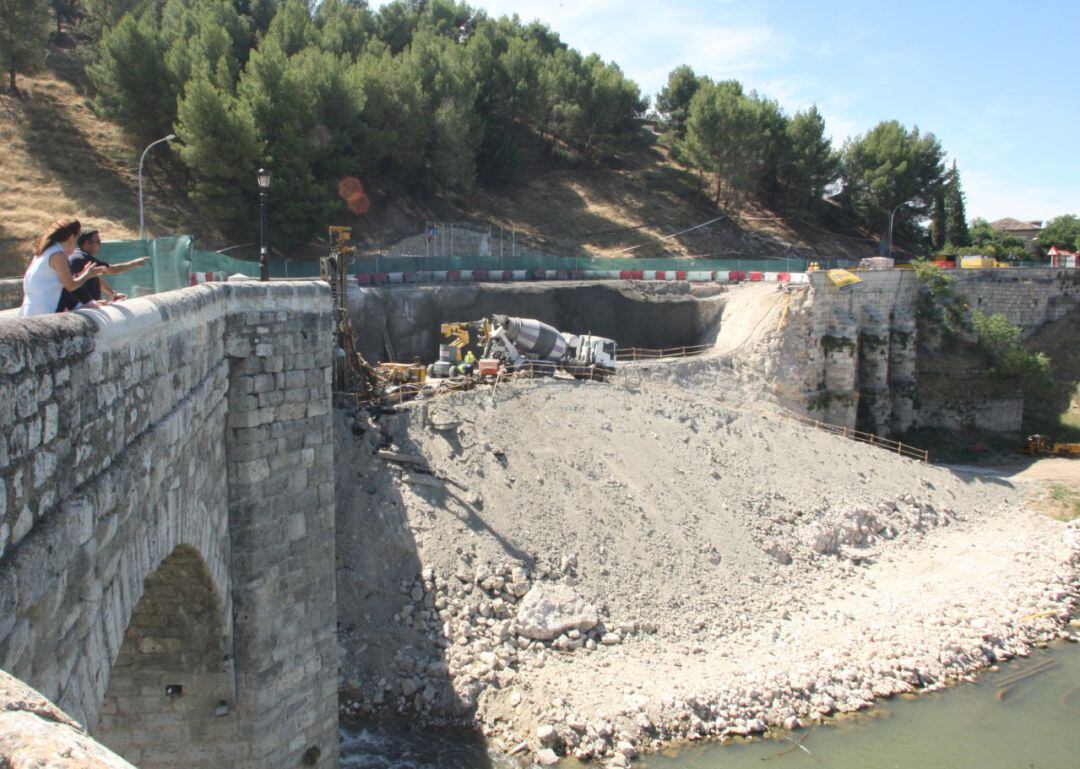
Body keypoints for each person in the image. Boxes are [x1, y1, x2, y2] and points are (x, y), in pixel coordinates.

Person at [18, 218, 107, 317]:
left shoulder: (43, 252)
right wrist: (88, 274)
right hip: (44, 312)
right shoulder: (58, 255)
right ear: (71, 237)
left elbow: (63, 284)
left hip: (29, 311)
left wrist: (85, 302)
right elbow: (70, 285)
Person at [56, 229, 149, 311]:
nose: (100, 244)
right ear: (86, 243)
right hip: (83, 310)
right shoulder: (82, 258)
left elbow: (92, 277)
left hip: (86, 308)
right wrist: (136, 263)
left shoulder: (78, 257)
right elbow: (114, 270)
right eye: (98, 241)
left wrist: (112, 293)